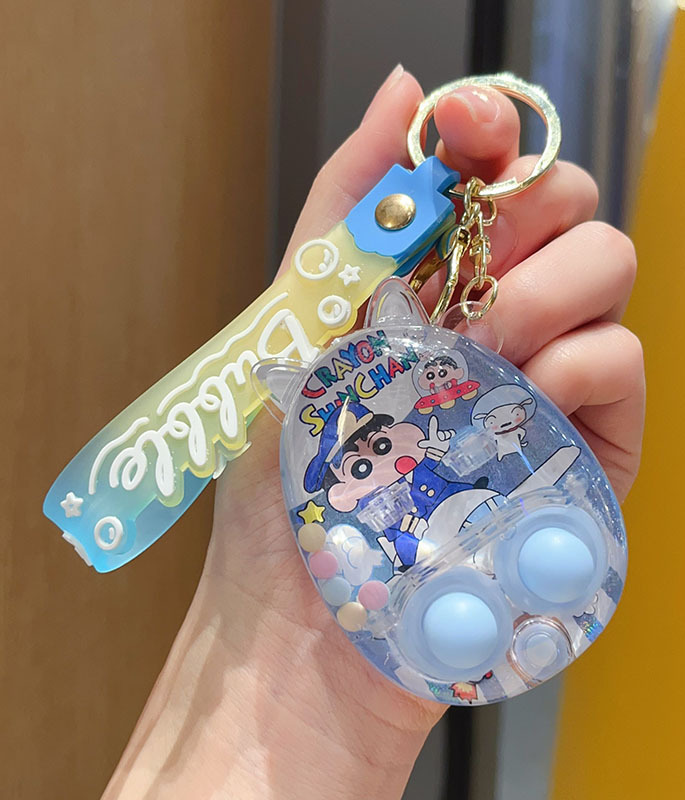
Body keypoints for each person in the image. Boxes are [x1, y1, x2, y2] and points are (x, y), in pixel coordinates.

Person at [102, 65, 645, 799]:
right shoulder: (349, 500)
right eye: (358, 464)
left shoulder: (438, 441)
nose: (375, 461)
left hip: (481, 529)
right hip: (426, 580)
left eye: (380, 448)